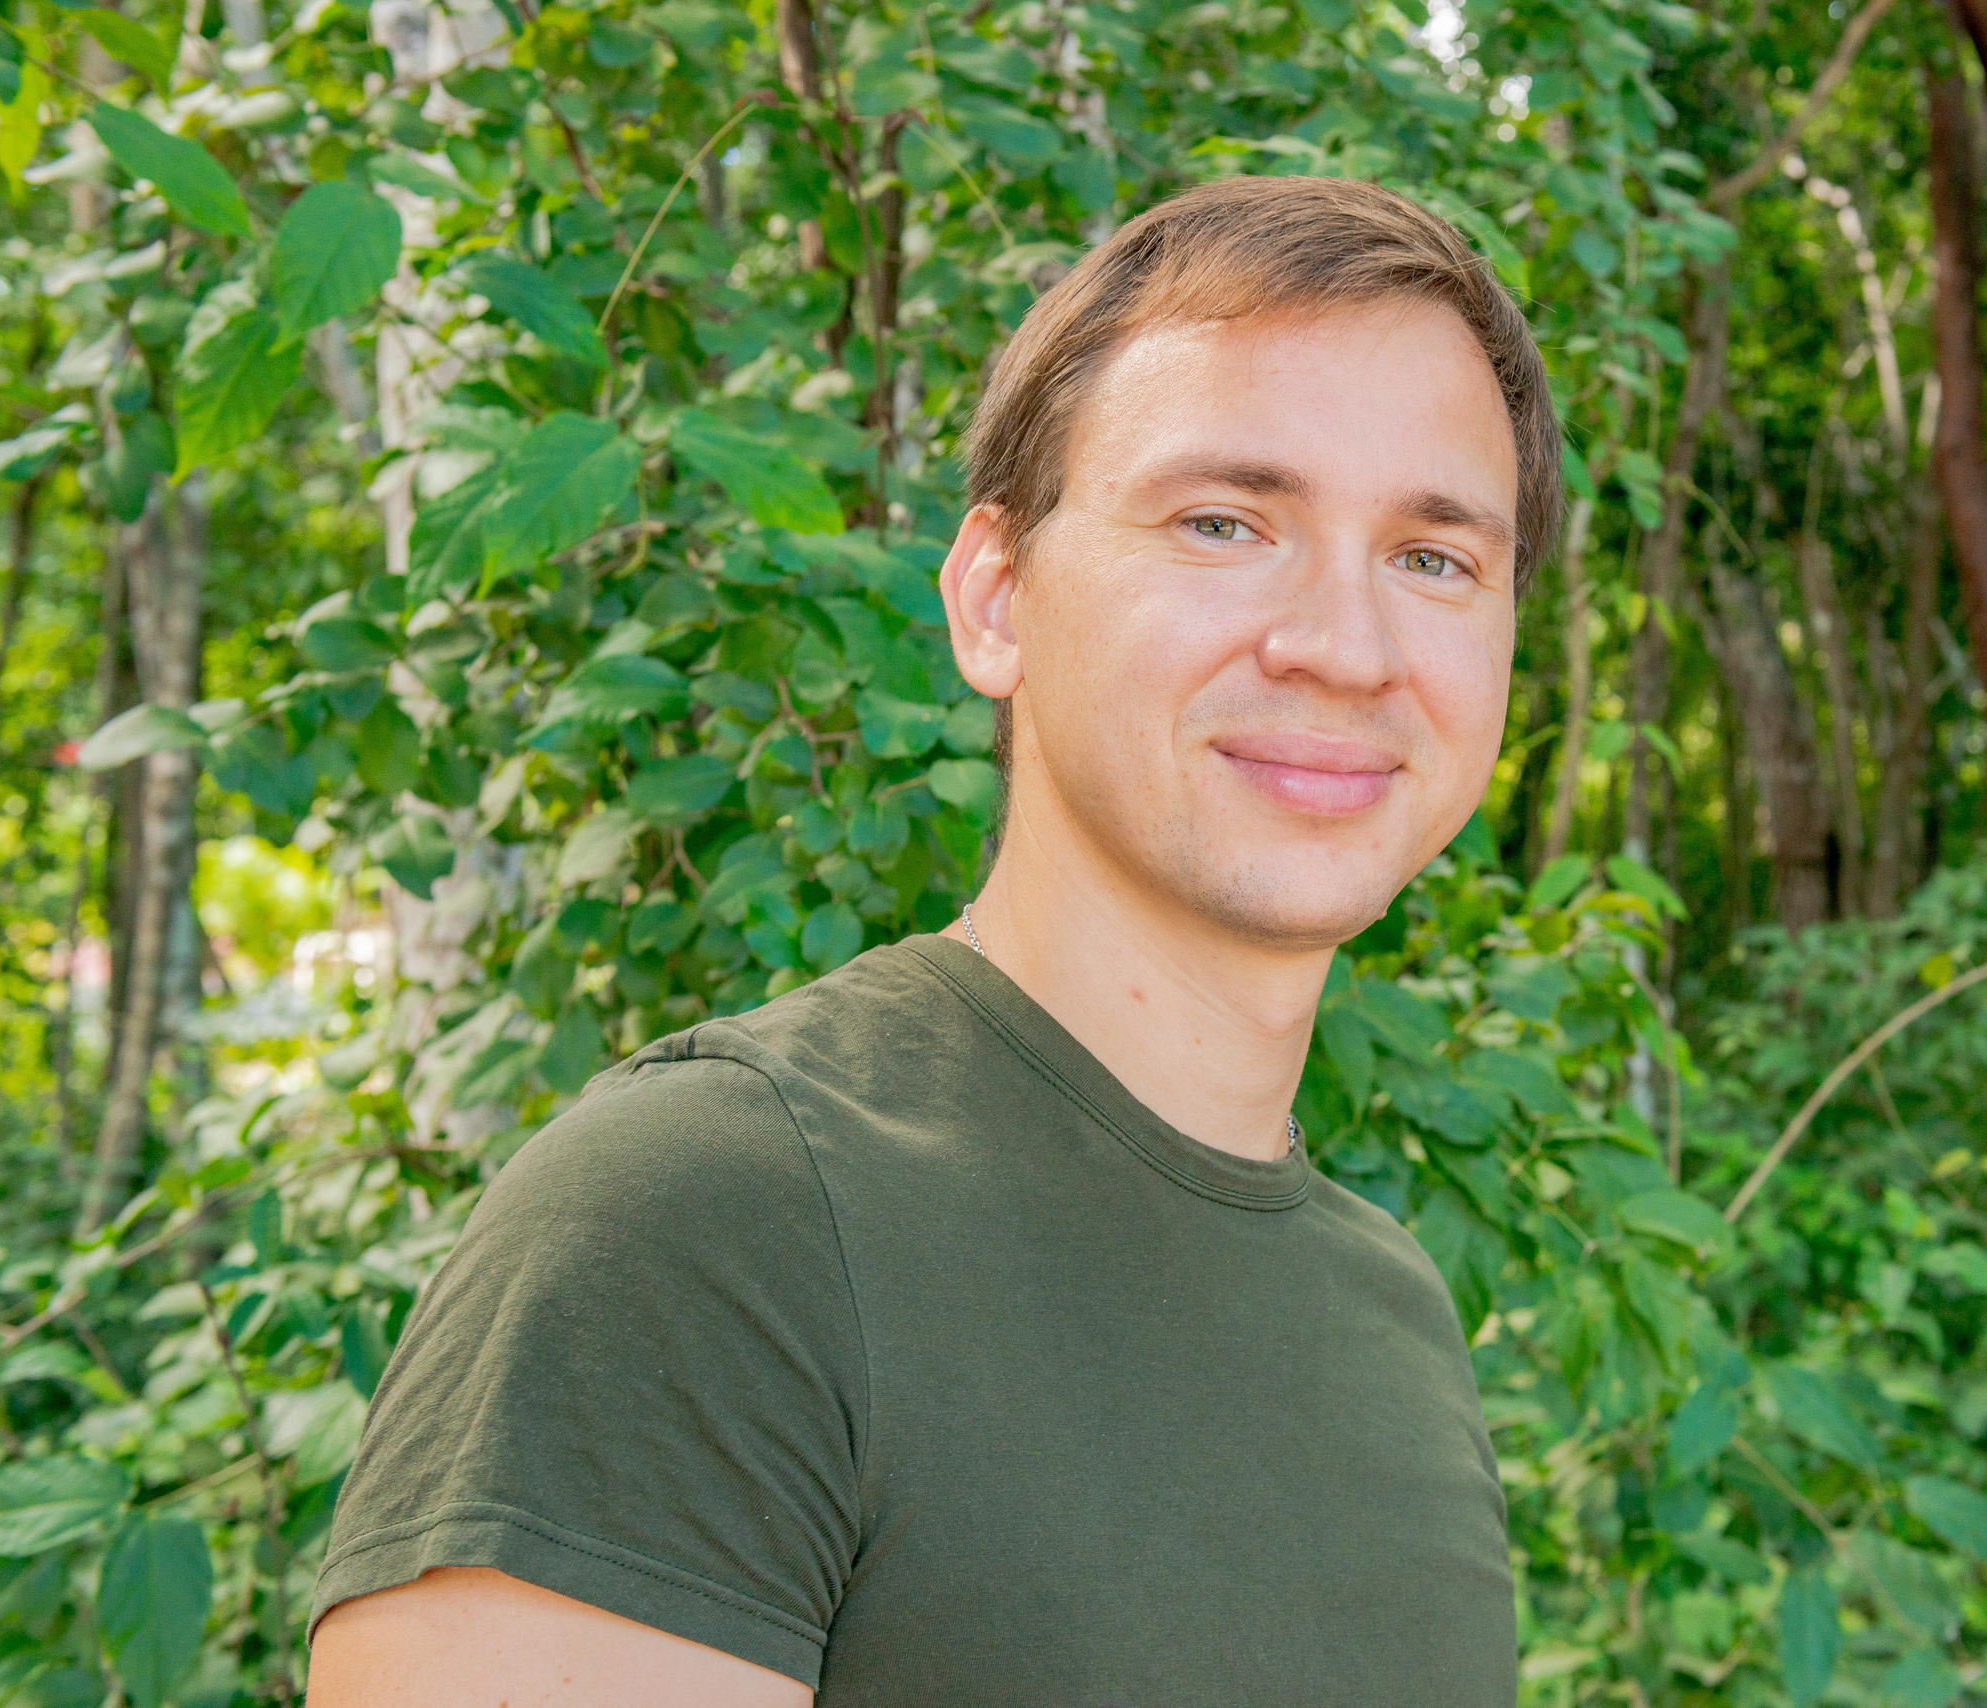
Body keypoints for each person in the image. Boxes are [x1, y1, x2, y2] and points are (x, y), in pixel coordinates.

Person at [307, 173, 1563, 1707]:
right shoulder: (710, 1226)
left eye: (1435, 557)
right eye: (1225, 523)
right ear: (995, 598)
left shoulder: (1395, 1324)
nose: (1345, 646)